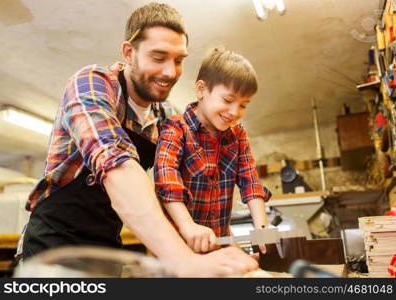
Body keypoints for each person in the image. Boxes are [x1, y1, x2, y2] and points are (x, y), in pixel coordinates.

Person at [20, 2, 258, 277]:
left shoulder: (168, 117)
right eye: (158, 58)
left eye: (179, 60)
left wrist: (215, 242)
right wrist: (182, 261)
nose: (171, 72)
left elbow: (182, 189)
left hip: (107, 244)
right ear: (128, 53)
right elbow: (116, 166)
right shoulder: (93, 83)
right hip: (53, 245)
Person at [154, 48, 271, 254]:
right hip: (178, 248)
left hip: (220, 244)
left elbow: (250, 182)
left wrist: (262, 229)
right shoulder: (175, 128)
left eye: (243, 105)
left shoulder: (238, 135)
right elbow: (167, 181)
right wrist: (188, 227)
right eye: (227, 100)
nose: (235, 112)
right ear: (201, 90)